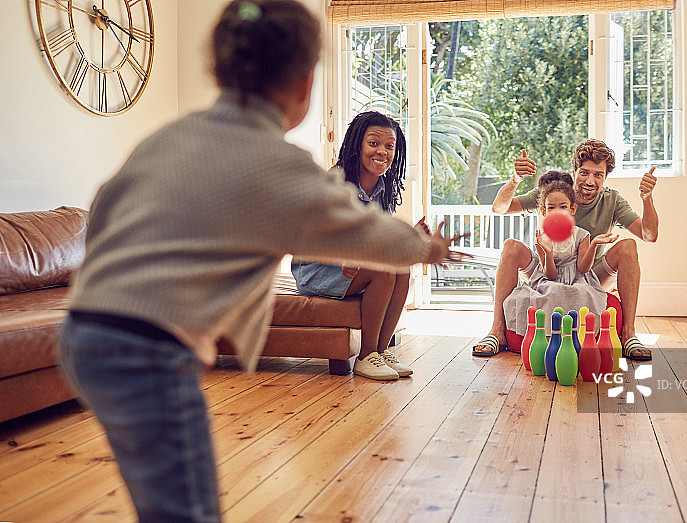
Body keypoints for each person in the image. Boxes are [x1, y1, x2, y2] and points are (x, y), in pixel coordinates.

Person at [57, 1, 462, 521]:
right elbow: (359, 229)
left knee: (164, 487)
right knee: (187, 507)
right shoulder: (277, 162)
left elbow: (105, 210)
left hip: (84, 332)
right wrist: (427, 248)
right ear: (303, 85)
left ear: (220, 68)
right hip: (145, 348)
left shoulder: (169, 137)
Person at [472, 139, 658, 360]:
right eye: (584, 173)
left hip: (588, 271)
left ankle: (629, 335)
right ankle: (496, 332)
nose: (590, 181)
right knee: (510, 247)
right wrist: (515, 180)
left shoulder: (612, 201)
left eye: (598, 174)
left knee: (629, 247)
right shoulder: (554, 193)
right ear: (574, 171)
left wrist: (647, 199)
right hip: (545, 267)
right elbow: (500, 208)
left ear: (605, 177)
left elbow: (650, 235)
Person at [292, 111, 427, 381]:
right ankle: (366, 356)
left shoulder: (384, 186)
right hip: (318, 268)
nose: (382, 152)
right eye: (373, 143)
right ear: (358, 146)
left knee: (401, 268)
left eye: (390, 146)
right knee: (383, 270)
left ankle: (380, 351)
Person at [503, 171, 616, 338]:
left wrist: (593, 244)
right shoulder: (543, 237)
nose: (557, 212)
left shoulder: (582, 234)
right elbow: (550, 275)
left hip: (577, 278)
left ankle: (577, 335)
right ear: (543, 210)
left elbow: (583, 269)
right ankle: (549, 336)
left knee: (581, 292)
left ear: (572, 209)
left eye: (563, 207)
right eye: (551, 207)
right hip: (549, 278)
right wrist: (547, 252)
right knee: (552, 290)